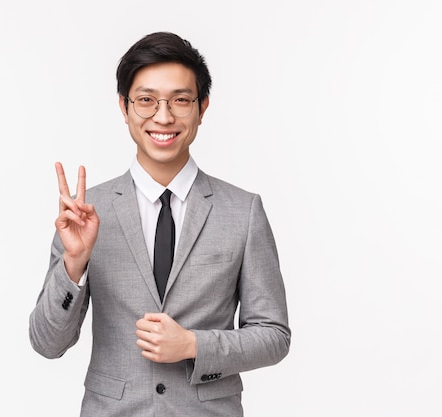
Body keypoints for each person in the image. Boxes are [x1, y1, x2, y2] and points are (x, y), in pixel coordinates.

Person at [29, 31, 291, 417]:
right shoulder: (85, 213)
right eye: (147, 100)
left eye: (180, 100)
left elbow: (274, 336)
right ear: (124, 106)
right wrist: (74, 265)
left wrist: (193, 346)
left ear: (202, 108)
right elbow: (47, 342)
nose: (163, 116)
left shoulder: (243, 211)